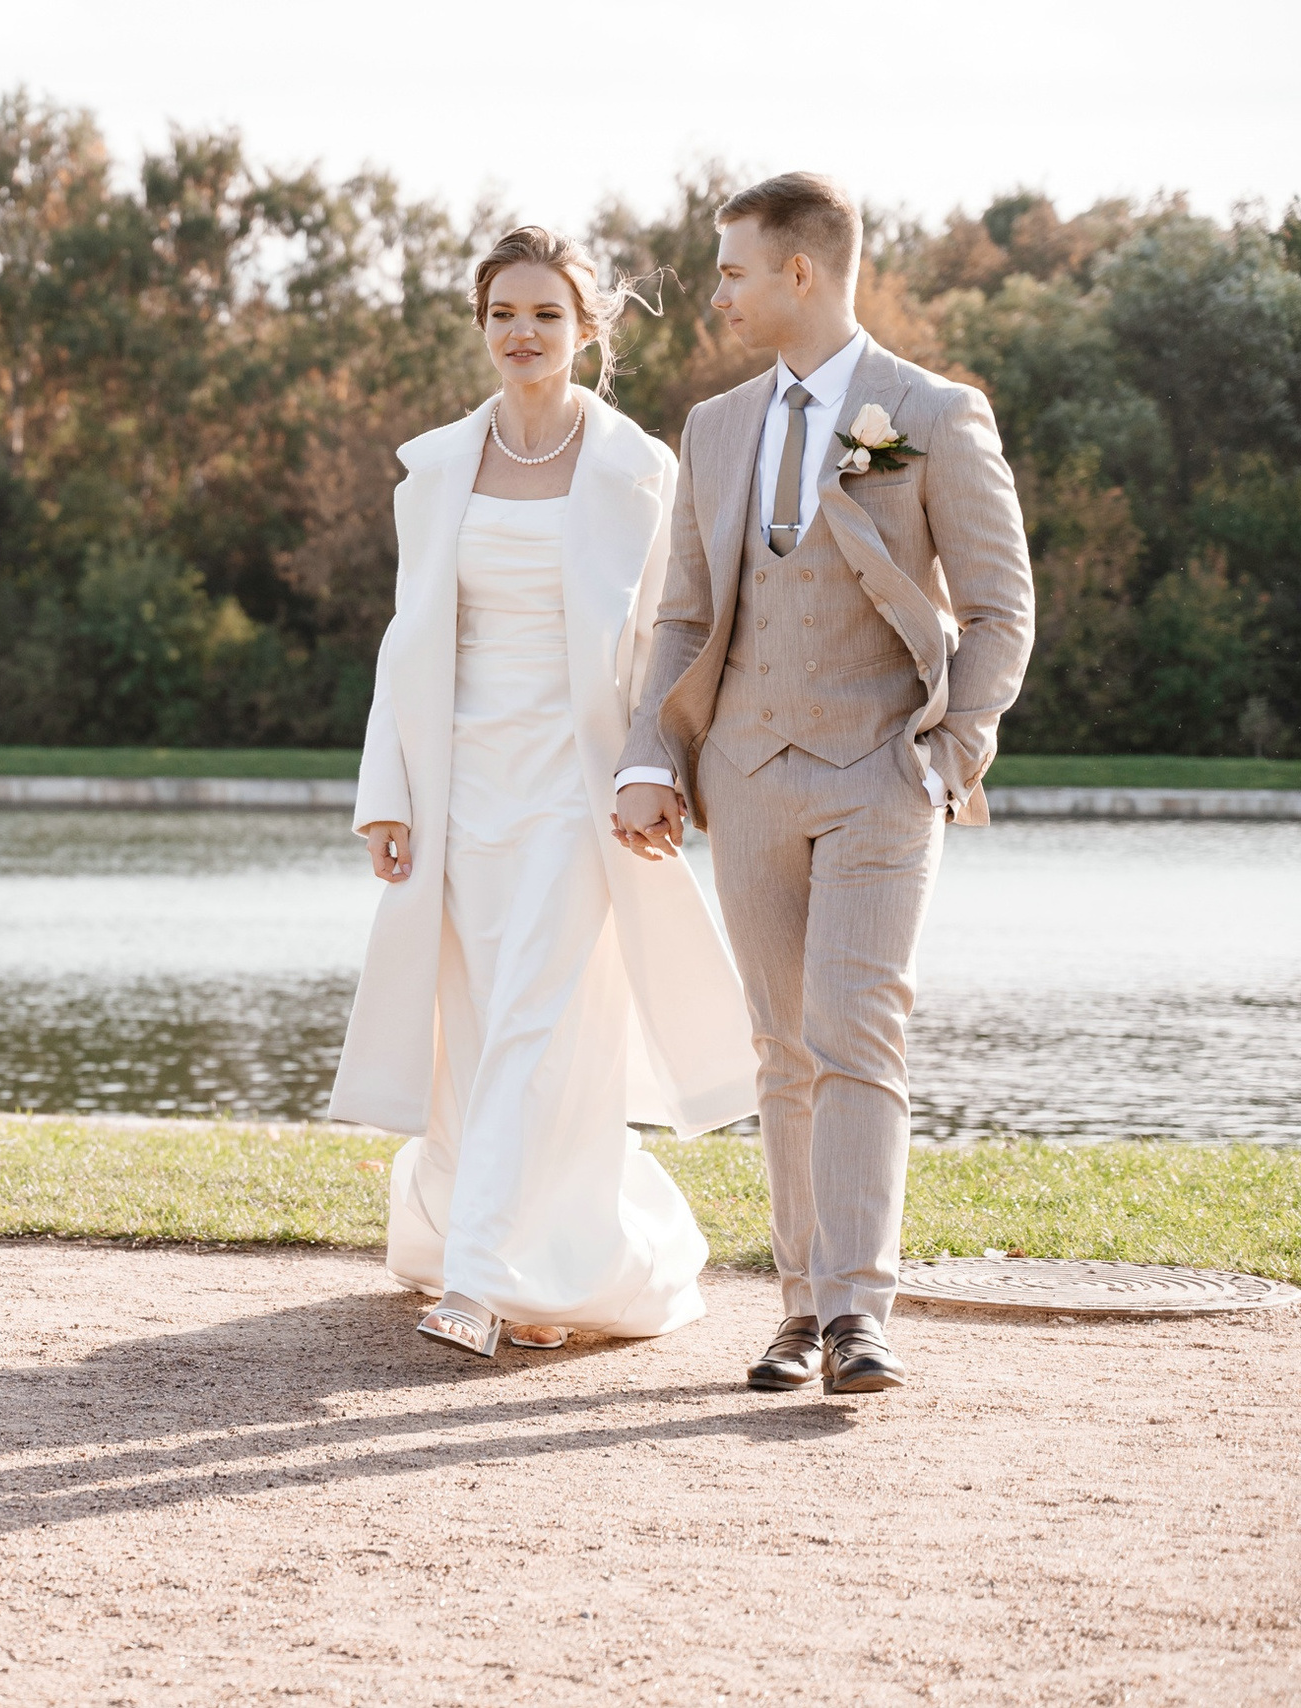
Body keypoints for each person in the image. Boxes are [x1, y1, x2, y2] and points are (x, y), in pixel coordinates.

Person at [613, 173, 1034, 1395]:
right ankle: (795, 1312)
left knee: (858, 1034)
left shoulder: (932, 414)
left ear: (802, 271)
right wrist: (655, 759)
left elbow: (1001, 610)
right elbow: (683, 613)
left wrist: (947, 753)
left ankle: (860, 1312)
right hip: (745, 775)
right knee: (779, 1047)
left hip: (880, 778)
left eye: (733, 269)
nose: (718, 292)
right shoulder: (714, 425)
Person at [329, 226, 759, 1359]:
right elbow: (405, 639)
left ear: (586, 332)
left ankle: (473, 1282)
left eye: (544, 316)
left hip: (580, 793)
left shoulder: (637, 471)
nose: (520, 335)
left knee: (532, 1014)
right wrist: (389, 793)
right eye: (501, 315)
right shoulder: (433, 471)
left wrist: (650, 767)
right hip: (461, 785)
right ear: (481, 328)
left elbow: (673, 637)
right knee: (476, 1028)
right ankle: (552, 1266)